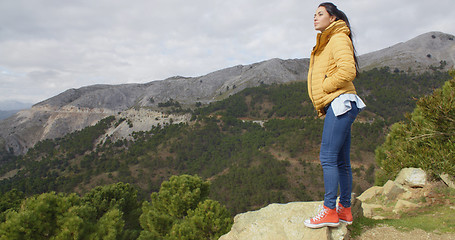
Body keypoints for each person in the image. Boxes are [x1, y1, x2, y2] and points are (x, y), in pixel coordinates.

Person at [304, 2, 366, 229]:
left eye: (320, 14)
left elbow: (348, 71)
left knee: (328, 158)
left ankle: (329, 210)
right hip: (342, 103)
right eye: (314, 14)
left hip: (340, 102)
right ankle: (345, 210)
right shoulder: (330, 39)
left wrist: (325, 85)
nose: (315, 17)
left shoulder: (338, 38)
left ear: (332, 18)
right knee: (341, 161)